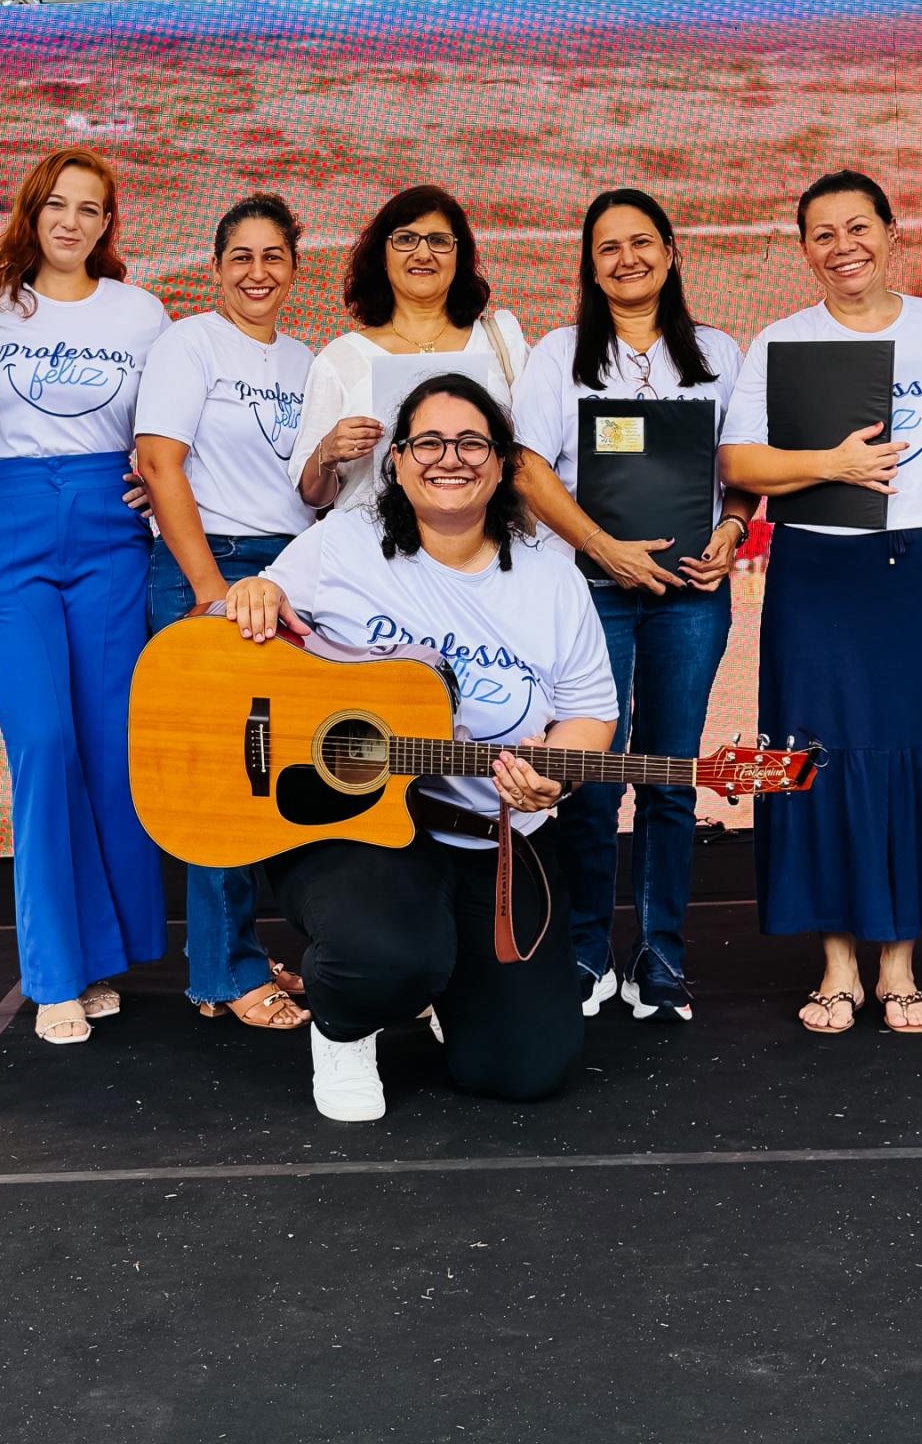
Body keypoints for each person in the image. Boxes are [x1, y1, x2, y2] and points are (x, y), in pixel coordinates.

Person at [227, 373, 619, 1122]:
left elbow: (589, 711)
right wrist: (254, 595)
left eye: (472, 442)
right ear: (398, 462)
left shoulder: (551, 578)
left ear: (502, 464)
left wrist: (555, 779)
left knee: (525, 1070)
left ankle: (446, 986)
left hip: (492, 836)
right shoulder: (342, 544)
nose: (450, 459)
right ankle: (345, 1027)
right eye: (428, 442)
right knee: (386, 955)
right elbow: (243, 634)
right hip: (353, 829)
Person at [722, 169, 922, 1037]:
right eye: (823, 234)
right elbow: (740, 462)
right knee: (822, 757)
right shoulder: (783, 341)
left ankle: (899, 965)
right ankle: (837, 967)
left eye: (858, 227)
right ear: (804, 251)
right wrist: (831, 465)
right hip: (823, 576)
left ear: (892, 233)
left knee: (917, 750)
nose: (843, 247)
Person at [512, 188, 754, 1022]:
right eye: (608, 247)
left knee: (671, 776)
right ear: (590, 265)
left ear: (671, 251)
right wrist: (602, 547)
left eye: (642, 242)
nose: (627, 259)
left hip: (689, 596)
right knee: (589, 775)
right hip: (590, 596)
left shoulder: (718, 352)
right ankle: (586, 950)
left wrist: (732, 529)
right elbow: (527, 467)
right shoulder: (559, 354)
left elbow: (739, 469)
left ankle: (661, 956)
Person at [0, 148, 170, 1046]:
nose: (72, 222)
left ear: (108, 222)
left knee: (109, 749)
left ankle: (101, 957)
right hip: (10, 526)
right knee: (43, 743)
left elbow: (164, 432)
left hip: (108, 534)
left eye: (90, 208)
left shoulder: (141, 312)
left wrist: (150, 485)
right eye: (57, 205)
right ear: (32, 213)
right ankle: (52, 975)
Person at [135, 194, 314, 1032]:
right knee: (222, 779)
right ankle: (222, 970)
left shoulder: (308, 361)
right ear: (215, 267)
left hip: (291, 574)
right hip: (210, 570)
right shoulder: (190, 343)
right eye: (240, 256)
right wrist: (210, 590)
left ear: (294, 267)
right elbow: (160, 465)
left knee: (282, 770)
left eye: (272, 255)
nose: (256, 272)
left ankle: (247, 948)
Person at [290, 186, 529, 515]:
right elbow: (313, 496)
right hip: (372, 542)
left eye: (439, 241)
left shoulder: (501, 341)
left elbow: (535, 458)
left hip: (486, 538)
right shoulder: (340, 360)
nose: (423, 253)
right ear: (382, 256)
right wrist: (327, 452)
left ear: (458, 257)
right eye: (406, 239)